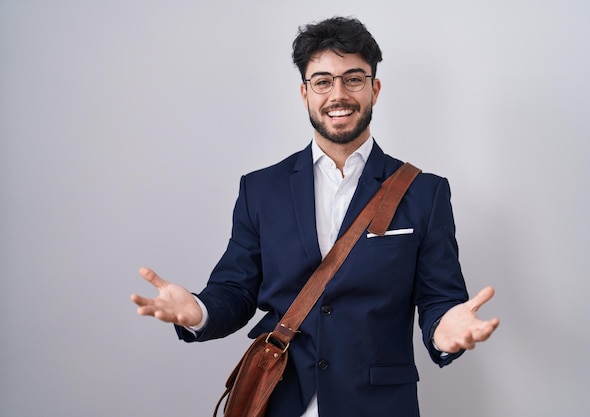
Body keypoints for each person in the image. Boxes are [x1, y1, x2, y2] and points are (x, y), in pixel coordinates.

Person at [131, 16, 499, 417]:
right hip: (280, 399)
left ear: (374, 88)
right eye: (323, 81)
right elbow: (236, 290)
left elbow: (438, 299)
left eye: (353, 79)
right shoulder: (261, 189)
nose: (338, 94)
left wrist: (444, 331)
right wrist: (198, 313)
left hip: (378, 405)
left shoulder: (424, 193)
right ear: (304, 93)